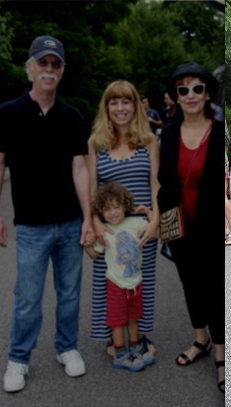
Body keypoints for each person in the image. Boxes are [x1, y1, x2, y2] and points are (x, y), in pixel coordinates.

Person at [0, 35, 93, 392]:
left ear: (62, 71)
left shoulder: (71, 116)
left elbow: (81, 168)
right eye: (43, 63)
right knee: (28, 297)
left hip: (70, 222)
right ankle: (19, 357)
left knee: (69, 293)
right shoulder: (8, 113)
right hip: (31, 225)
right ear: (30, 67)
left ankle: (67, 347)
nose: (49, 69)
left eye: (55, 64)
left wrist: (88, 219)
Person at [158, 61, 225, 393]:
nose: (190, 94)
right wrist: (160, 221)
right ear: (175, 97)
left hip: (209, 225)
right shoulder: (168, 134)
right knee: (189, 283)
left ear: (207, 92)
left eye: (197, 88)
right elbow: (161, 182)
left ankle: (221, 352)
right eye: (182, 89)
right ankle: (199, 339)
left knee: (214, 287)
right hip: (177, 223)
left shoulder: (217, 130)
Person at [87, 80, 160, 362]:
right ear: (106, 108)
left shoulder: (149, 141)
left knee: (142, 283)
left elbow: (155, 184)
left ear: (135, 106)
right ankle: (113, 336)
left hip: (141, 227)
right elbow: (92, 188)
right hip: (110, 229)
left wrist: (155, 220)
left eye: (126, 101)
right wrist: (95, 223)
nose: (120, 108)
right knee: (109, 282)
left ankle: (138, 336)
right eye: (114, 102)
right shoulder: (96, 143)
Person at [85, 182, 153, 371]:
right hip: (115, 284)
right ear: (100, 211)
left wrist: (148, 213)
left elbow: (155, 231)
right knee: (117, 321)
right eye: (107, 209)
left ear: (125, 205)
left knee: (133, 318)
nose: (112, 212)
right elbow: (94, 255)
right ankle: (120, 353)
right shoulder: (104, 230)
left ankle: (134, 347)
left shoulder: (137, 223)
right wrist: (88, 244)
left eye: (116, 207)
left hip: (136, 283)